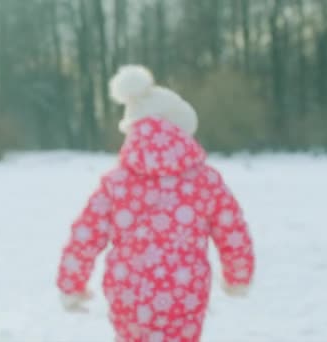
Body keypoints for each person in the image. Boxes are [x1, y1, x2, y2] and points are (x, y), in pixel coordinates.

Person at [55, 65, 255, 342]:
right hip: (186, 291)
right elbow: (232, 230)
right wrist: (238, 275)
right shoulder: (205, 180)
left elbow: (85, 234)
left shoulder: (117, 182)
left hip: (128, 292)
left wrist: (72, 284)